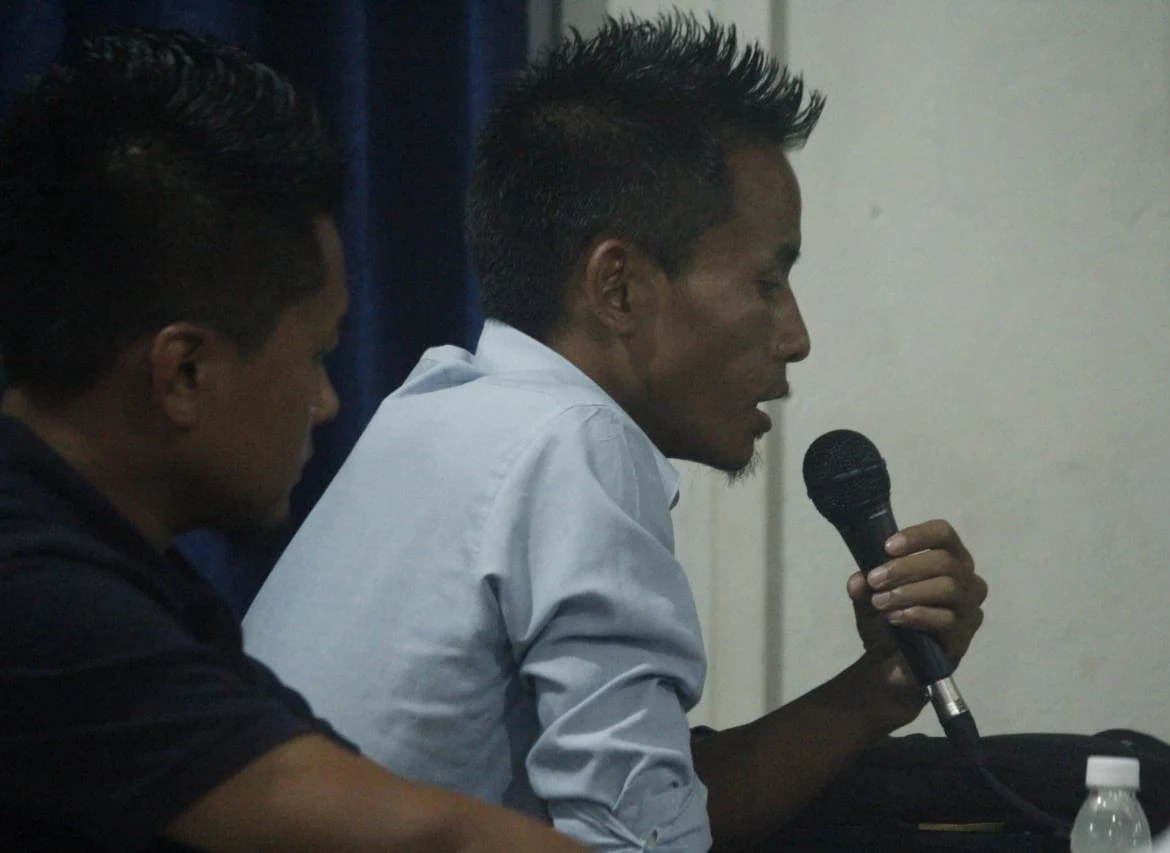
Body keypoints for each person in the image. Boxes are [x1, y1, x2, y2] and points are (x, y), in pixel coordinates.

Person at [244, 13, 988, 852]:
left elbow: (651, 808)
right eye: (767, 281)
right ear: (619, 288)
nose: (796, 336)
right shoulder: (577, 443)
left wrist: (879, 686)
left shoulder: (438, 407)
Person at [0, 29, 590, 853]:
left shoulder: (139, 580)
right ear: (184, 372)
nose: (326, 403)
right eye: (315, 356)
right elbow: (424, 839)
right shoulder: (40, 599)